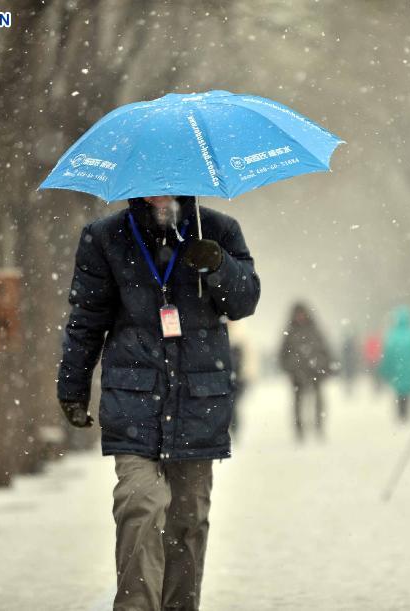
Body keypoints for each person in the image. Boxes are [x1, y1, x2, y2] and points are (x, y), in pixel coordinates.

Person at [57, 195, 260, 610]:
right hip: (133, 403)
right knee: (140, 506)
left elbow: (246, 301)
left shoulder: (218, 230)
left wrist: (219, 266)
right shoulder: (104, 237)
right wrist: (72, 386)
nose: (159, 191)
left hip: (198, 404)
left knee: (187, 525)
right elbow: (86, 319)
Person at [278, 302, 333, 441]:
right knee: (297, 401)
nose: (300, 317)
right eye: (298, 314)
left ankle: (319, 425)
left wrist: (325, 365)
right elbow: (282, 353)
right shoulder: (290, 331)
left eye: (302, 314)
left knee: (319, 400)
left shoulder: (315, 329)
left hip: (316, 371)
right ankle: (299, 429)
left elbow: (325, 349)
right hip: (296, 373)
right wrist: (288, 367)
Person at [379, 306, 410, 422]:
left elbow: (387, 356)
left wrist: (385, 371)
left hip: (397, 372)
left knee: (400, 393)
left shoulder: (391, 336)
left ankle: (401, 414)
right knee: (409, 392)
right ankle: (408, 413)